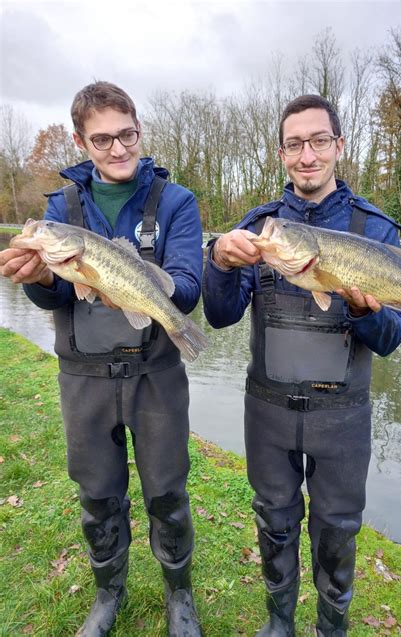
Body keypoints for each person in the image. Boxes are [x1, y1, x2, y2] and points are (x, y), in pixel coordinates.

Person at [0, 81, 203, 637]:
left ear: (140, 131)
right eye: (102, 139)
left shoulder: (176, 201)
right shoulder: (59, 209)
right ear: (81, 142)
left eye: (126, 135)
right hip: (84, 375)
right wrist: (41, 277)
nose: (117, 149)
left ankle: (179, 595)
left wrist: (140, 292)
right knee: (97, 494)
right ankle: (107, 591)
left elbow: (186, 286)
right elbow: (54, 294)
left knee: (168, 491)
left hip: (157, 372)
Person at [202, 94, 401, 636]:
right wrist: (219, 261)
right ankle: (279, 621)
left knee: (337, 529)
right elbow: (221, 316)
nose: (307, 155)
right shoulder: (259, 228)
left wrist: (366, 311)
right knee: (274, 519)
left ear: (338, 146)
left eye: (318, 141)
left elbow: (391, 340)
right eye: (295, 144)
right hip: (266, 412)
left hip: (342, 417)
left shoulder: (375, 230)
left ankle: (330, 626)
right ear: (282, 154)